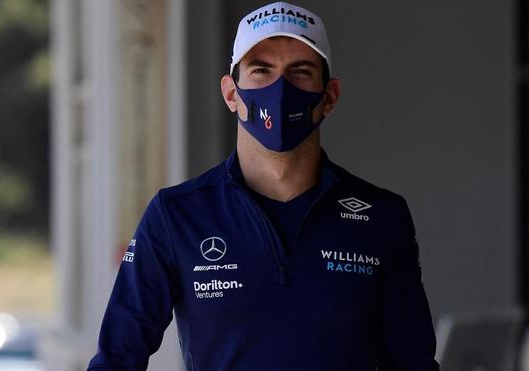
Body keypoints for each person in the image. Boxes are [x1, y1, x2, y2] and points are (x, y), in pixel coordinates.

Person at [87, 2, 439, 370]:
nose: (280, 89)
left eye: (301, 72)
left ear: (329, 96)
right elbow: (116, 359)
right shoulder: (177, 215)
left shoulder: (382, 217)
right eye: (261, 70)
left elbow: (413, 362)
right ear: (230, 93)